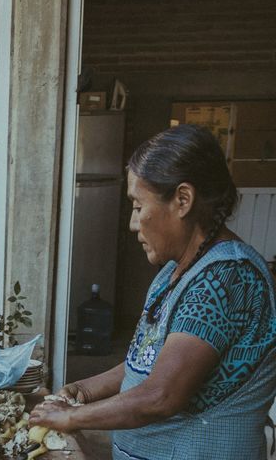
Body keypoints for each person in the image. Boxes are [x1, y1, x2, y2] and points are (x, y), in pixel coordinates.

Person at [30, 124, 276, 459]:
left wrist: (71, 416)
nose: (133, 223)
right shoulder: (174, 273)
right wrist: (82, 390)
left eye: (137, 205)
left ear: (183, 200)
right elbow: (144, 364)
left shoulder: (227, 277)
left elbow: (162, 394)